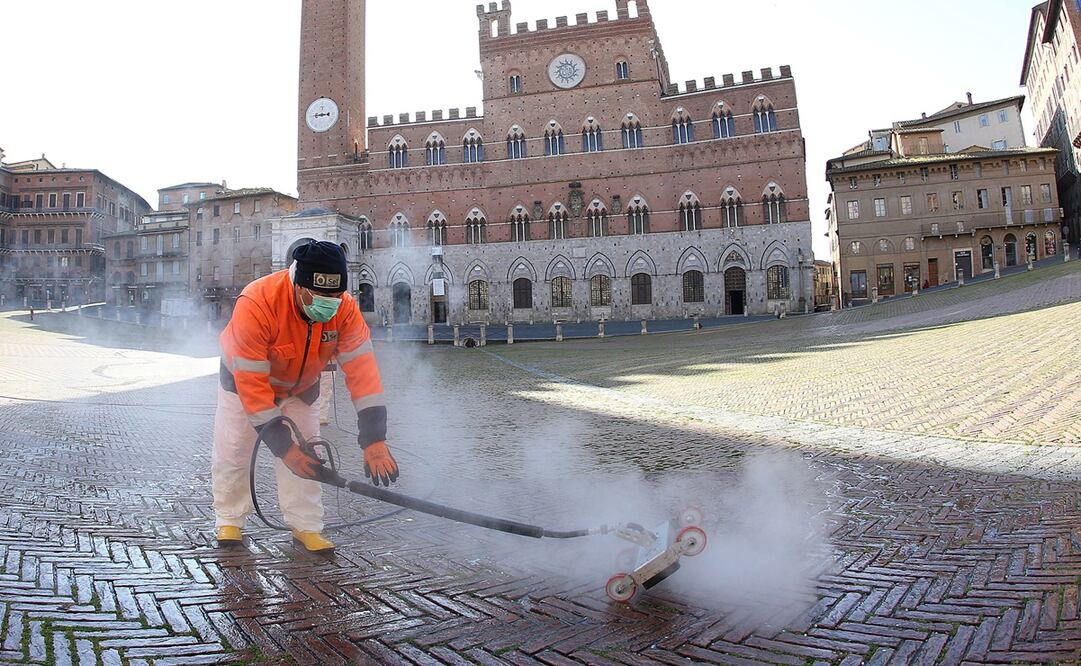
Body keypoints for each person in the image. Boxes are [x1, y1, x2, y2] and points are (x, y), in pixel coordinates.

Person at [212, 240, 397, 554]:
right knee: (234, 450)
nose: (328, 305)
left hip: (302, 388)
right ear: (297, 286)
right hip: (243, 385)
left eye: (335, 297)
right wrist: (284, 448)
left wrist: (374, 438)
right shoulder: (257, 302)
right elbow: (254, 388)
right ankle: (229, 520)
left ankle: (306, 526)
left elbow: (363, 371)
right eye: (318, 297)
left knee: (308, 455)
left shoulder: (345, 309)